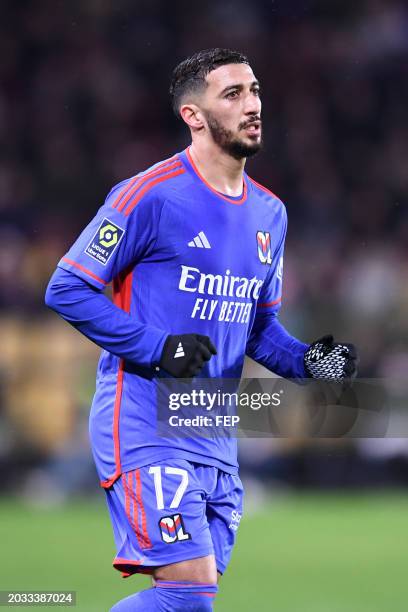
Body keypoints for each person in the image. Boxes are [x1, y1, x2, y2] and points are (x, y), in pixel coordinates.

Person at [45, 48, 357, 612]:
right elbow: (66, 287)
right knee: (188, 595)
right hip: (145, 419)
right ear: (193, 115)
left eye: (255, 90)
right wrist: (159, 349)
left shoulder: (271, 214)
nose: (253, 105)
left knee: (189, 599)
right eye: (233, 94)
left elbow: (257, 328)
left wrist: (311, 360)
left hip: (214, 430)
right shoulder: (149, 194)